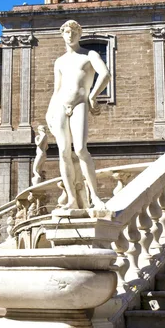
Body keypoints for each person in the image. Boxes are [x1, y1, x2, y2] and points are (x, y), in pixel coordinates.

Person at [46, 20, 110, 210]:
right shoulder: (59, 61)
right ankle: (72, 199)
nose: (70, 35)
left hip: (80, 103)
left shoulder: (89, 55)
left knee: (81, 149)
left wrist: (92, 96)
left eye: (74, 31)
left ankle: (95, 197)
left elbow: (105, 74)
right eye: (66, 31)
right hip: (59, 106)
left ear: (80, 34)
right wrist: (50, 110)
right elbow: (56, 89)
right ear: (62, 35)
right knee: (64, 152)